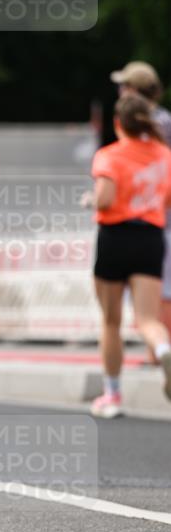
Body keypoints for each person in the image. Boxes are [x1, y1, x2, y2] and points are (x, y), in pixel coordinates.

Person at [87, 92, 171, 417]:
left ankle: (112, 395)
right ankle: (163, 348)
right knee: (147, 318)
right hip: (151, 236)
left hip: (115, 236)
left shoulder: (109, 155)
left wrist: (90, 200)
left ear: (118, 123)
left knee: (111, 321)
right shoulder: (164, 155)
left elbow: (105, 198)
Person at [110, 61, 171, 344]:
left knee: (160, 290)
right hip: (152, 217)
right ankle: (158, 348)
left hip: (154, 218)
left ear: (134, 90)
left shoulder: (154, 124)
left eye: (124, 86)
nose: (120, 91)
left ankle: (161, 347)